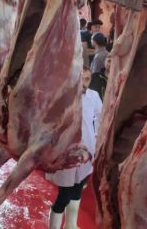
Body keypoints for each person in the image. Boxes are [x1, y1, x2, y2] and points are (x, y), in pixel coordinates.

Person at [45, 67, 103, 228]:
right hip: (66, 153)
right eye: (80, 79)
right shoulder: (62, 97)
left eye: (87, 79)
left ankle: (71, 225)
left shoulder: (93, 96)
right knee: (64, 195)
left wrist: (98, 138)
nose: (84, 83)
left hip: (87, 150)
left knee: (78, 189)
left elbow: (101, 116)